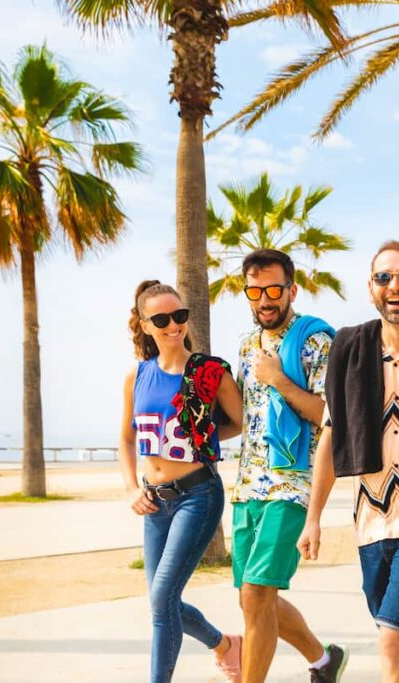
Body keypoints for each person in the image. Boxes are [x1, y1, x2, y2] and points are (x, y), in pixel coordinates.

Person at [298, 241, 399, 682]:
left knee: (391, 638)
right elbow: (331, 438)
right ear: (371, 289)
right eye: (384, 277)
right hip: (369, 524)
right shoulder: (352, 353)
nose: (395, 286)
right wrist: (313, 519)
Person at [230, 249, 347, 683]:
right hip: (247, 487)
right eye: (255, 290)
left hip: (292, 485)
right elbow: (243, 416)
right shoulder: (245, 345)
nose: (265, 299)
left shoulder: (317, 341)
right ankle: (323, 660)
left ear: (292, 289)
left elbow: (330, 416)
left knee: (258, 593)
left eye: (274, 289)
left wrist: (279, 379)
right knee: (251, 598)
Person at [119, 279, 245, 683]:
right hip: (153, 501)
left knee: (161, 599)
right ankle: (225, 645)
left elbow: (239, 422)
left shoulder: (210, 372)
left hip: (197, 495)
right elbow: (126, 438)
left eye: (179, 315)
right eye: (161, 318)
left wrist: (199, 438)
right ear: (144, 324)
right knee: (161, 602)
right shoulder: (137, 375)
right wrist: (131, 489)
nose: (173, 324)